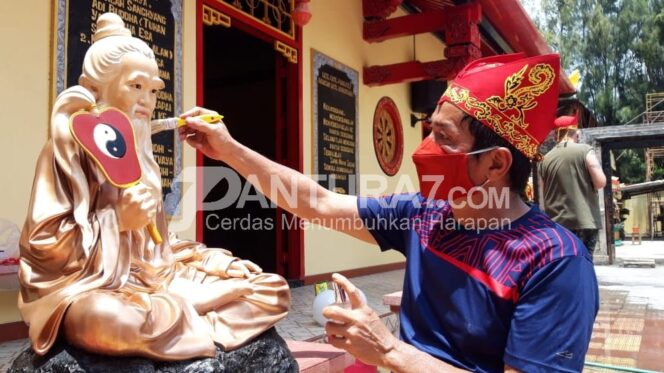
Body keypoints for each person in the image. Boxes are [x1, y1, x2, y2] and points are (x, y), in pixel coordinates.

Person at [180, 53, 599, 372]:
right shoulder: (425, 213)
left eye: (443, 137)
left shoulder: (554, 261)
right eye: (428, 130)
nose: (425, 149)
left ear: (495, 164)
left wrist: (387, 348)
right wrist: (228, 150)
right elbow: (317, 202)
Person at [19, 13, 289, 361]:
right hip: (93, 287)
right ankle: (189, 310)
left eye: (152, 90)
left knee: (272, 289)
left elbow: (157, 247)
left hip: (156, 280)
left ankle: (179, 311)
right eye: (135, 87)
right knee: (106, 321)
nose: (146, 100)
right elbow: (43, 245)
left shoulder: (141, 154)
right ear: (93, 88)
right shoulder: (67, 149)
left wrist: (214, 264)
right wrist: (116, 222)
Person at [539, 115, 607, 256]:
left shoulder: (544, 160)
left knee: (564, 264)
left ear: (555, 135)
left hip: (557, 224)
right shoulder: (585, 150)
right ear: (576, 133)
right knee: (585, 263)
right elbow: (600, 182)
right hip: (585, 221)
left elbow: (542, 195)